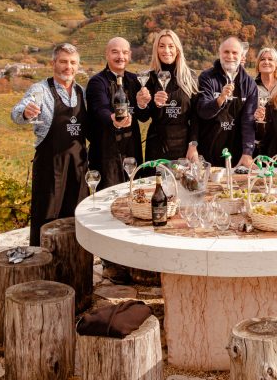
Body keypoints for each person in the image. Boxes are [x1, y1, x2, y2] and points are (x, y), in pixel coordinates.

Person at [11, 43, 88, 246]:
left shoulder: (82, 92)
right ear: (53, 63)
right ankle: (42, 263)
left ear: (78, 66)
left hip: (78, 166)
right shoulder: (40, 90)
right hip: (49, 165)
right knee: (46, 216)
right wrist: (26, 112)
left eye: (73, 63)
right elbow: (17, 113)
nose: (68, 67)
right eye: (63, 61)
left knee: (75, 216)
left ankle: (74, 263)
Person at [86, 37, 147, 189]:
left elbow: (144, 117)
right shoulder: (97, 82)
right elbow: (100, 109)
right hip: (106, 154)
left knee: (133, 194)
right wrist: (113, 119)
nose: (121, 56)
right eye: (115, 52)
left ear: (130, 55)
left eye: (124, 52)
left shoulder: (135, 80)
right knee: (107, 199)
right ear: (107, 54)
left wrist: (142, 104)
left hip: (132, 151)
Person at [136, 29, 199, 162]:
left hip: (183, 144)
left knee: (183, 182)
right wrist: (143, 104)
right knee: (155, 183)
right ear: (156, 50)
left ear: (177, 49)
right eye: (162, 46)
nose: (166, 50)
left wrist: (193, 145)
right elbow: (143, 117)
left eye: (171, 46)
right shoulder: (149, 78)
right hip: (156, 144)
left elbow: (195, 116)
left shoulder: (190, 77)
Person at [196, 36, 257, 168]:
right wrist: (220, 99)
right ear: (220, 54)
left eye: (234, 53)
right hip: (208, 150)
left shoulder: (249, 84)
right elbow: (202, 112)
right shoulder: (207, 77)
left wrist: (247, 152)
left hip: (236, 154)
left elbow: (248, 120)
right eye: (226, 52)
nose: (230, 56)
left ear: (242, 56)